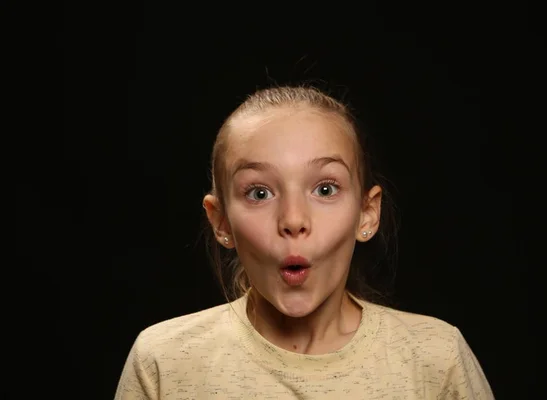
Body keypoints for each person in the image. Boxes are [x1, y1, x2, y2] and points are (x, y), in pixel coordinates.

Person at [114, 85, 495, 399]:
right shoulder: (163, 361)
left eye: (325, 188)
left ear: (367, 213)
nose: (293, 220)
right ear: (221, 222)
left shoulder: (436, 359)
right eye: (259, 193)